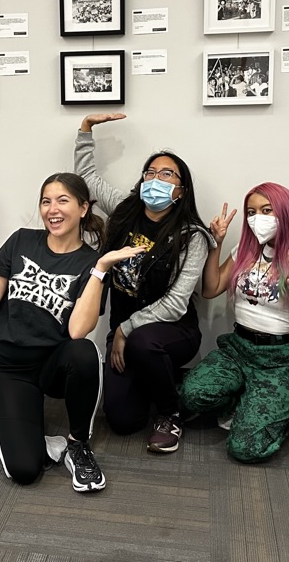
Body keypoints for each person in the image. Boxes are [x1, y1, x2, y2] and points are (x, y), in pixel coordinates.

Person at [0, 173, 143, 492]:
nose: (53, 209)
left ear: (83, 208)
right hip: (9, 368)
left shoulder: (90, 262)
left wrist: (100, 269)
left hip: (55, 363)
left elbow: (79, 329)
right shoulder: (21, 240)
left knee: (84, 352)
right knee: (24, 470)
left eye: (62, 200)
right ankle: (40, 437)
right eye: (46, 201)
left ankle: (78, 444)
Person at [74, 113, 214, 454]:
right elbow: (87, 178)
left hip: (171, 332)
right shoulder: (125, 211)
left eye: (166, 174)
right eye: (150, 173)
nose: (156, 179)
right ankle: (159, 381)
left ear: (181, 189)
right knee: (122, 421)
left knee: (141, 341)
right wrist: (85, 130)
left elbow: (177, 302)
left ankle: (171, 413)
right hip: (128, 333)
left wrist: (124, 329)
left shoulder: (191, 236)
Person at [180, 184, 289, 462]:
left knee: (246, 448)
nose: (256, 218)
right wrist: (217, 242)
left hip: (279, 359)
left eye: (266, 210)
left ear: (284, 213)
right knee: (192, 395)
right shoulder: (245, 251)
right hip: (238, 349)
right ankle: (249, 398)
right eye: (251, 212)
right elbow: (211, 289)